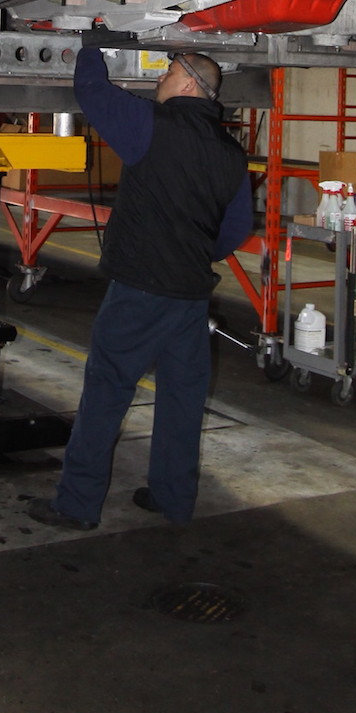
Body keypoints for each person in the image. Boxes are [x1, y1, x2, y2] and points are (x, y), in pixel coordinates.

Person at [26, 45, 252, 531]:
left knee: (106, 392)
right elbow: (235, 230)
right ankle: (173, 499)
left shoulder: (153, 125)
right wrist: (190, 253)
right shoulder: (231, 155)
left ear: (191, 83)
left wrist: (89, 47)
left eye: (168, 73)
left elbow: (92, 92)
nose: (159, 81)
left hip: (139, 292)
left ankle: (77, 505)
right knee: (182, 400)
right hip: (190, 296)